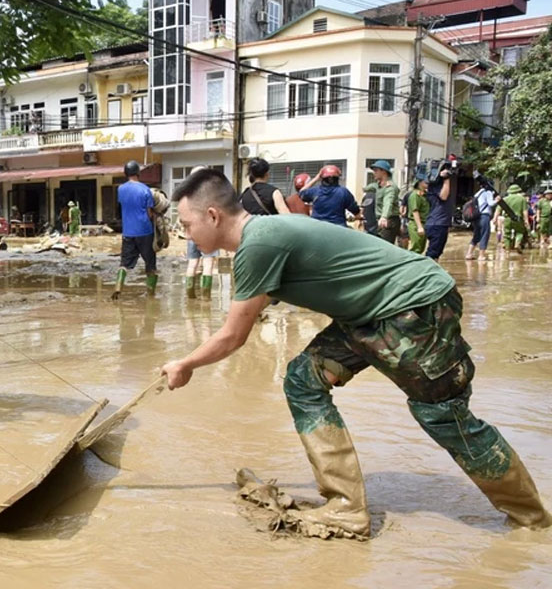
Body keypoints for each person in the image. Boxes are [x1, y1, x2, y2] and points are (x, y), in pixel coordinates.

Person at [161, 168, 551, 538]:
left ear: (212, 215)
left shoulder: (258, 244)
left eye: (188, 224)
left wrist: (185, 363)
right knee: (303, 380)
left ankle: (533, 521)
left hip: (412, 306)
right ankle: (346, 506)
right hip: (365, 317)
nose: (186, 233)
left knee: (443, 414)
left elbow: (232, 336)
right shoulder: (264, 236)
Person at [111, 160, 158, 299]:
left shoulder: (120, 189)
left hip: (128, 231)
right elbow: (149, 213)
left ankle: (118, 286)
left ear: (126, 173)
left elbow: (123, 206)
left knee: (124, 263)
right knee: (150, 264)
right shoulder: (145, 189)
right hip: (145, 231)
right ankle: (151, 294)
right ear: (138, 172)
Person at [424, 165, 455, 261]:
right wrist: (446, 179)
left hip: (437, 223)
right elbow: (443, 196)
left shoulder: (432, 186)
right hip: (437, 223)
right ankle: (428, 273)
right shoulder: (436, 186)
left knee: (435, 253)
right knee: (433, 254)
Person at [465, 180, 499, 260]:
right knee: (484, 235)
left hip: (476, 217)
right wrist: (497, 200)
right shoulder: (488, 192)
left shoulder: (478, 193)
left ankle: (469, 254)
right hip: (484, 216)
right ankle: (481, 255)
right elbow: (491, 203)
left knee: (476, 235)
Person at [369, 160, 400, 244]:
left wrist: (384, 217)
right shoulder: (379, 185)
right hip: (380, 220)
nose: (373, 173)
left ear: (383, 171)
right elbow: (370, 187)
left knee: (385, 247)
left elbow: (388, 202)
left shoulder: (390, 187)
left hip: (388, 220)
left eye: (376, 170)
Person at [501, 184, 529, 254]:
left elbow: (498, 210)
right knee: (519, 232)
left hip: (507, 219)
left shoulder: (505, 199)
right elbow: (525, 211)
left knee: (507, 234)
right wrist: (526, 220)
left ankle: (507, 250)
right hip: (518, 219)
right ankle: (517, 244)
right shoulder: (522, 199)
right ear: (518, 191)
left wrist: (494, 219)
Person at [406, 175, 430, 255]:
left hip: (424, 223)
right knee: (415, 249)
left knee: (421, 248)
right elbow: (415, 211)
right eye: (425, 181)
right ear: (419, 182)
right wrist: (419, 227)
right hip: (416, 224)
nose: (428, 182)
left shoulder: (425, 194)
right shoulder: (415, 195)